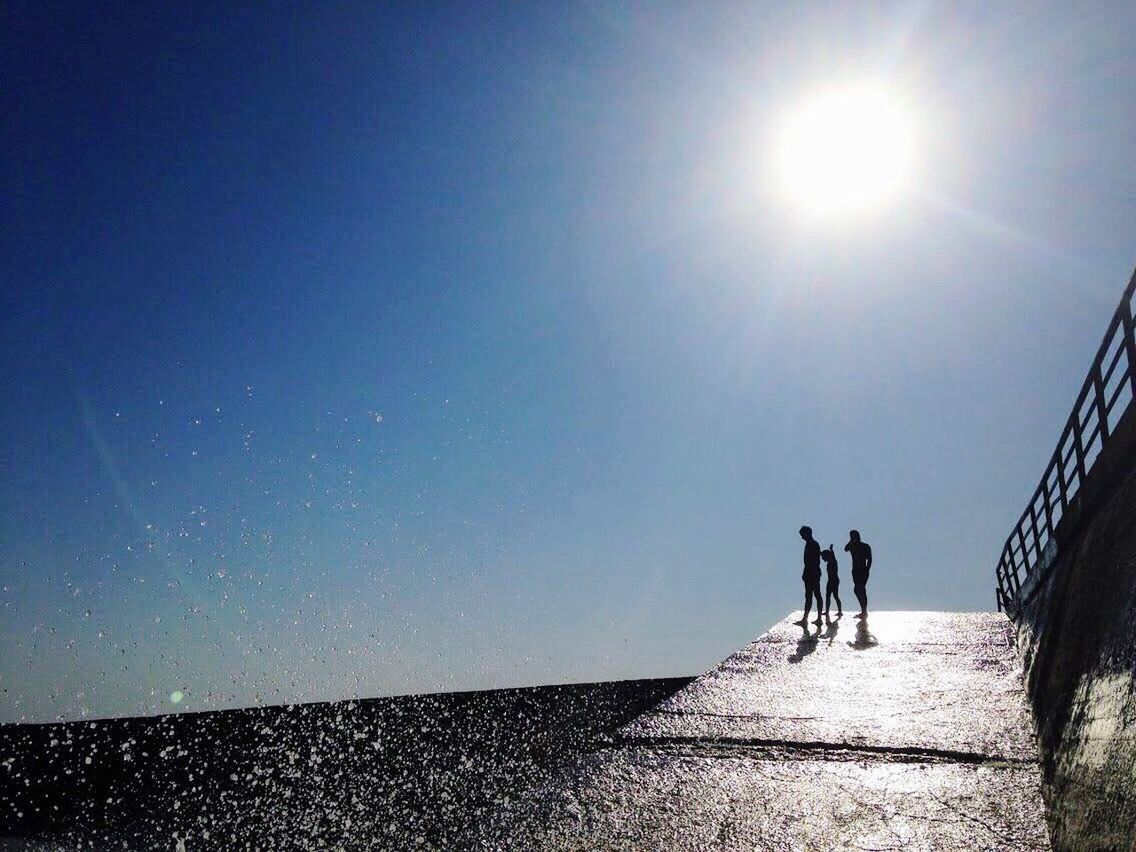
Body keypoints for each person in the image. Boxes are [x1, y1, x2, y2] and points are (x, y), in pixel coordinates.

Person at [795, 526, 824, 626]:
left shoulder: (814, 544)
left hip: (813, 573)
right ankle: (805, 618)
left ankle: (819, 618)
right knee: (808, 595)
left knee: (816, 594)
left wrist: (810, 572)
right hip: (809, 573)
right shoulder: (809, 544)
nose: (801, 537)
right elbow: (807, 562)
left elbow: (815, 561)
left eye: (802, 534)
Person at [844, 529, 873, 619]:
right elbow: (845, 549)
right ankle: (863, 611)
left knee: (860, 589)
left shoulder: (865, 546)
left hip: (863, 570)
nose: (852, 538)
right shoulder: (852, 546)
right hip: (855, 571)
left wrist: (867, 569)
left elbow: (870, 559)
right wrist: (851, 541)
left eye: (853, 536)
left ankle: (864, 612)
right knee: (858, 590)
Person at [821, 544, 842, 617]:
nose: (822, 559)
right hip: (830, 581)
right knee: (828, 596)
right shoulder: (831, 561)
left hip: (834, 580)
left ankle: (840, 611)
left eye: (823, 557)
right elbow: (832, 555)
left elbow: (833, 555)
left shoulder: (833, 561)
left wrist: (831, 549)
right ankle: (827, 611)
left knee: (835, 596)